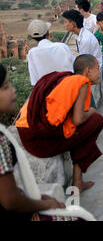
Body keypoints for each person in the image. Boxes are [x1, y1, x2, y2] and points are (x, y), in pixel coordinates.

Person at [0, 64, 84, 221]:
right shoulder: (1, 142)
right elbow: (10, 200)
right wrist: (42, 205)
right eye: (5, 87)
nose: (13, 90)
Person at [16, 55, 103, 194]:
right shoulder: (81, 82)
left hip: (26, 133)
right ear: (88, 70)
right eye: (97, 68)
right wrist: (92, 111)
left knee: (82, 131)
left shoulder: (66, 79)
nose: (99, 72)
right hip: (39, 141)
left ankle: (77, 182)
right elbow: (78, 119)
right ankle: (77, 182)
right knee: (96, 120)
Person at [26, 19, 75, 86]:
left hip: (49, 93)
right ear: (48, 33)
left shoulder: (32, 53)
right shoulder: (61, 47)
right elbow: (75, 67)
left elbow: (34, 81)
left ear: (32, 37)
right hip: (68, 87)